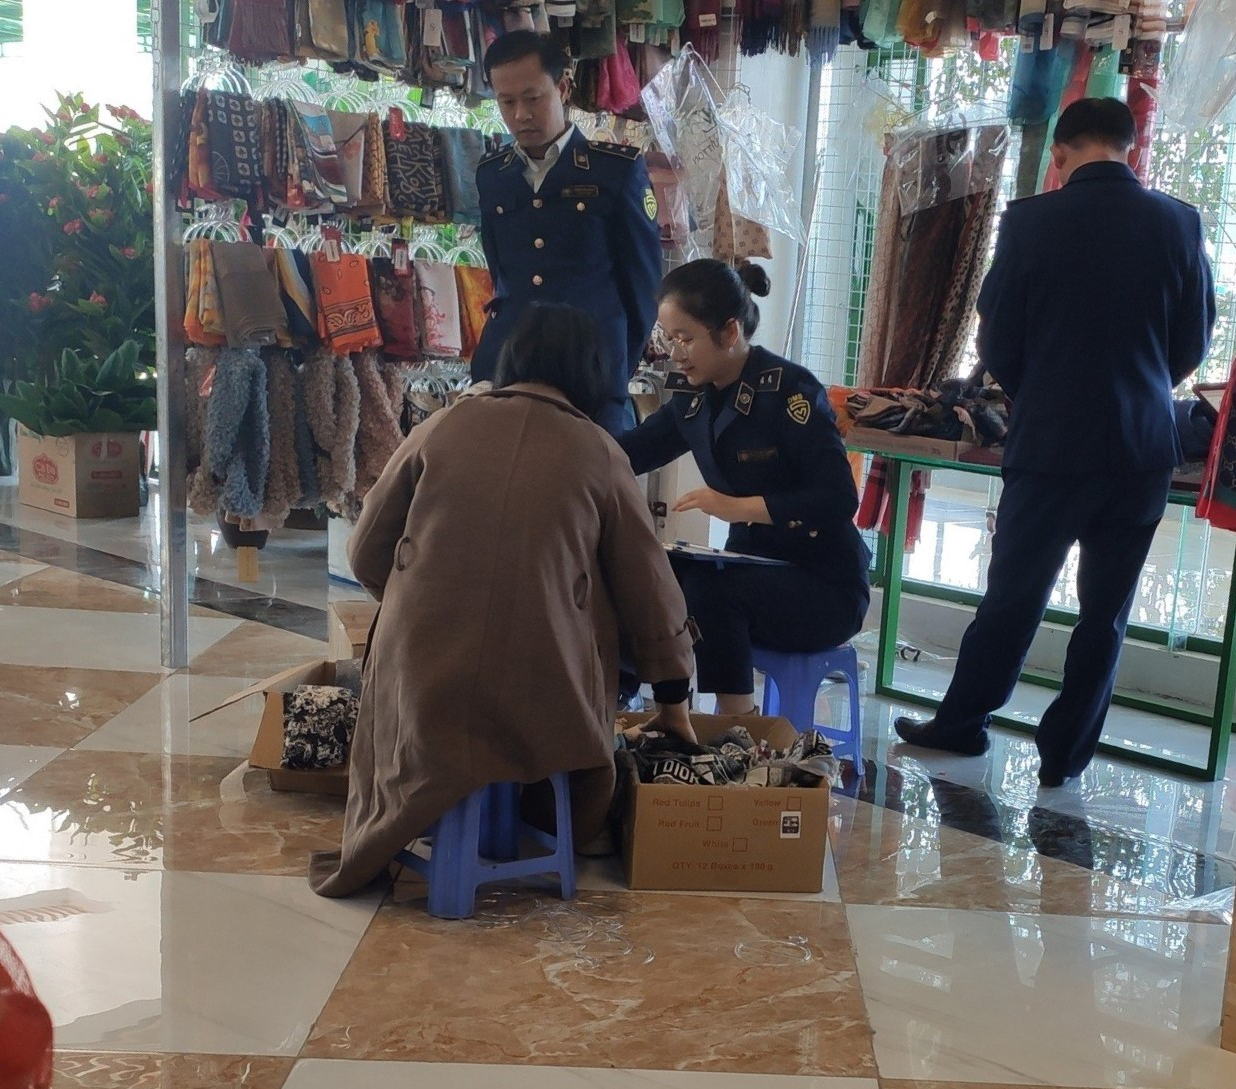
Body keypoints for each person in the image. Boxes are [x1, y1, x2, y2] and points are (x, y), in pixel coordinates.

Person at [311, 304, 697, 898]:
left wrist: (423, 602)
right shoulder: (599, 451)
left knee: (409, 678)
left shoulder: (441, 426)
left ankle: (415, 812)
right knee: (588, 626)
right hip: (543, 701)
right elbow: (650, 593)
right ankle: (556, 824)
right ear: (595, 372)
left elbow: (365, 550)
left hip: (422, 693)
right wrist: (672, 702)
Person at [895, 97, 1216, 787]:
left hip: (1051, 445)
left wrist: (1038, 391)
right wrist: (1143, 385)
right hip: (1141, 450)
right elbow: (1193, 342)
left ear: (1060, 155)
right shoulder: (1179, 222)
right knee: (1106, 614)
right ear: (1132, 149)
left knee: (1014, 595)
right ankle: (1064, 757)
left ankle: (963, 724)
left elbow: (996, 337)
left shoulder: (1031, 221)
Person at [620, 259, 871, 717]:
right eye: (667, 339)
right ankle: (659, 713)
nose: (675, 353)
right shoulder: (692, 397)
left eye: (685, 339)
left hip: (823, 584)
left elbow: (838, 498)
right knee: (658, 572)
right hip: (751, 569)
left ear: (730, 331)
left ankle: (737, 728)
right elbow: (631, 452)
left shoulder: (789, 391)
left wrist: (740, 508)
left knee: (712, 593)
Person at [469, 30, 662, 435]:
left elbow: (643, 289)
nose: (521, 114)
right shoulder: (492, 175)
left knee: (594, 473)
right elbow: (501, 272)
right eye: (507, 102)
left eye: (533, 97)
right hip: (508, 366)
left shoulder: (616, 171)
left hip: (591, 372)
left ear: (562, 88)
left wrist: (613, 369)